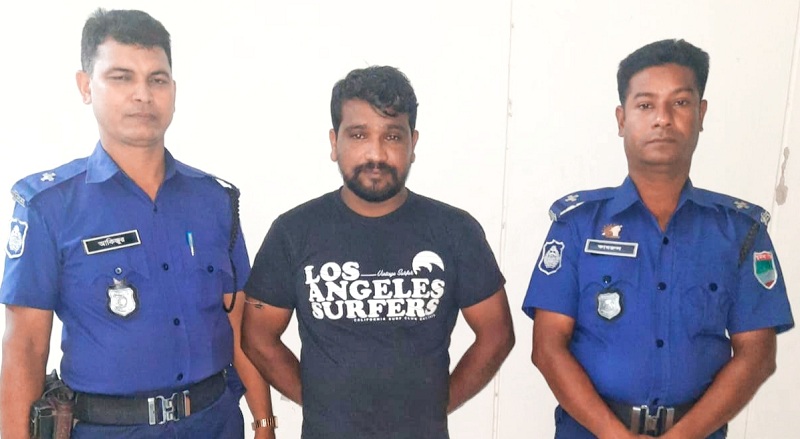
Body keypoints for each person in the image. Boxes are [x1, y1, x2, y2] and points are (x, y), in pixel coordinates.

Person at [0, 9, 275, 439]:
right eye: (121, 77)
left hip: (215, 423)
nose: (143, 95)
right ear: (86, 86)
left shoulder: (215, 201)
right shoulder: (49, 207)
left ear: (173, 91)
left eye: (157, 80)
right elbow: (25, 349)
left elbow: (239, 329)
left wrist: (264, 422)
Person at [523, 38, 795, 438]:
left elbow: (757, 355)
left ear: (701, 114)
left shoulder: (740, 232)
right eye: (646, 105)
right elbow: (547, 348)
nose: (663, 119)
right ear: (621, 119)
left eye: (680, 102)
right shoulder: (577, 226)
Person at [241, 65, 515, 438]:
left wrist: (438, 404)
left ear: (412, 144)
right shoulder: (293, 232)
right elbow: (257, 336)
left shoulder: (454, 231)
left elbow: (497, 333)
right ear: (334, 142)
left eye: (392, 136)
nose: (376, 153)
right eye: (358, 135)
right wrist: (318, 402)